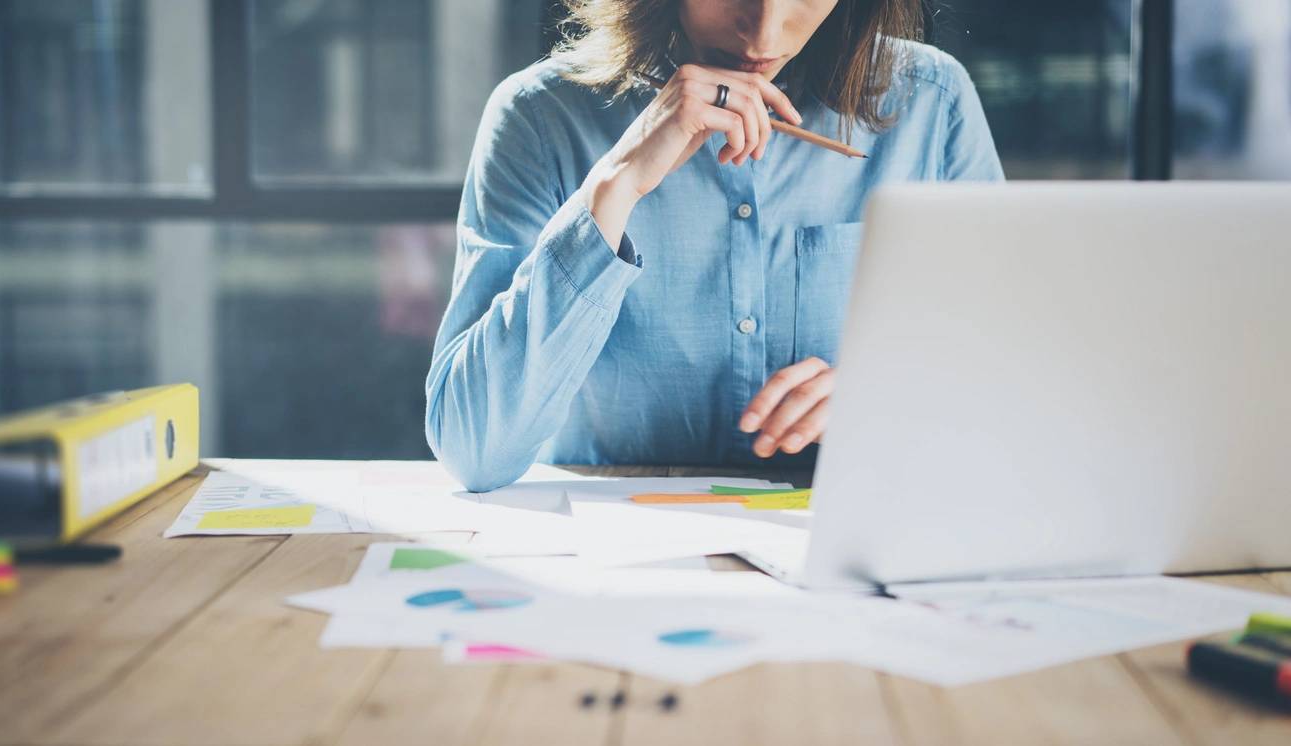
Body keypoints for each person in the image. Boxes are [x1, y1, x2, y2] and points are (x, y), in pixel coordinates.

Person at [425, 0, 1003, 491]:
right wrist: (616, 187)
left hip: (847, 547)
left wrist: (896, 394)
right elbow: (472, 449)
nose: (765, 33)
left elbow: (1012, 392)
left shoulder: (934, 104)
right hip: (613, 564)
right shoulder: (539, 117)